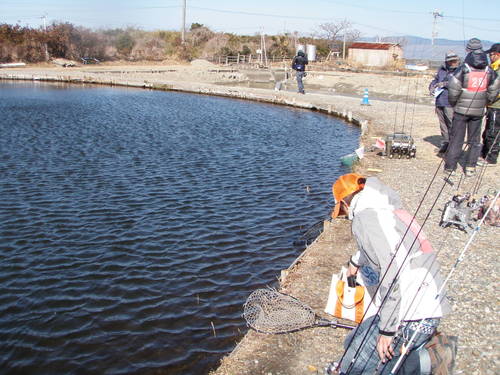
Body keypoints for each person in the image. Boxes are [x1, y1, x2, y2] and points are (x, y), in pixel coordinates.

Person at [330, 173, 450, 374]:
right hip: (430, 305)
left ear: (344, 203)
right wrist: (355, 261)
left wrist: (387, 330)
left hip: (412, 315)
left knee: (353, 365)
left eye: (341, 210)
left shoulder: (364, 219)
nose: (344, 216)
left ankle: (420, 362)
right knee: (352, 340)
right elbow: (390, 244)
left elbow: (392, 273)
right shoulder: (387, 208)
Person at [445, 38, 500, 177]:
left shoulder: (464, 69)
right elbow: (494, 89)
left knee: (456, 139)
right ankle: (470, 167)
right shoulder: (489, 70)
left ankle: (450, 167)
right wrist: (485, 101)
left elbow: (453, 89)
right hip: (478, 112)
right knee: (474, 141)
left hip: (461, 111)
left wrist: (455, 103)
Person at [429, 52, 460, 155]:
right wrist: (432, 86)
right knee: (443, 125)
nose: (453, 62)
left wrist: (445, 84)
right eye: (450, 60)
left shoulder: (460, 70)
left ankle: (454, 146)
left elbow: (459, 82)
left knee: (452, 124)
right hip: (440, 101)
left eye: (454, 60)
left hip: (451, 102)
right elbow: (435, 80)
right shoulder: (441, 70)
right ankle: (446, 143)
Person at [479, 43, 500, 165]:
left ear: (497, 55)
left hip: (496, 105)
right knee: (488, 130)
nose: (489, 57)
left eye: (491, 54)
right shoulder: (493, 68)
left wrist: (488, 98)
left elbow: (496, 90)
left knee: (493, 131)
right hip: (491, 105)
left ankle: (490, 157)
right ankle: (485, 153)